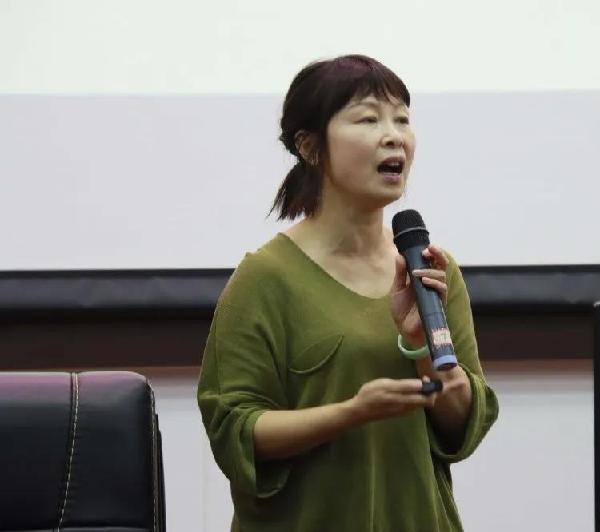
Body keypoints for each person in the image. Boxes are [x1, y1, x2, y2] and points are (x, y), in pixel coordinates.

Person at [197, 54, 499, 532]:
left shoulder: (429, 270)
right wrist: (351, 413)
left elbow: (461, 426)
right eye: (368, 119)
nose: (393, 136)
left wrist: (424, 348)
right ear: (310, 147)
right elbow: (236, 431)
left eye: (402, 119)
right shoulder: (265, 278)